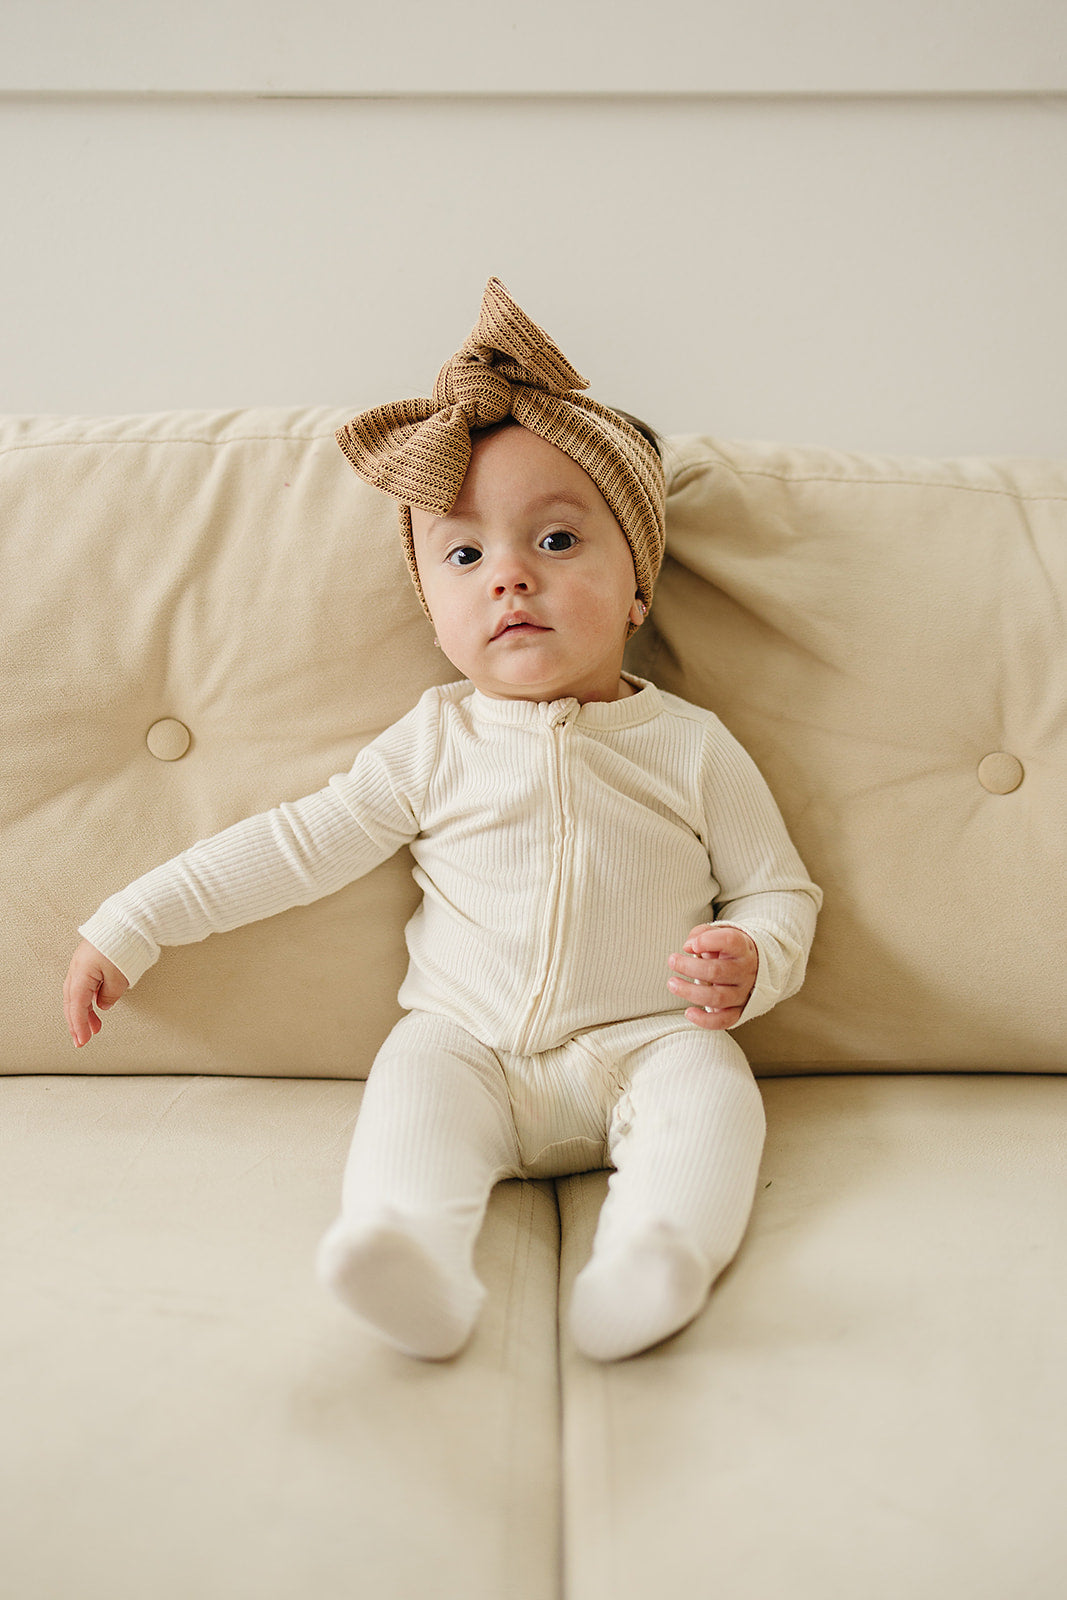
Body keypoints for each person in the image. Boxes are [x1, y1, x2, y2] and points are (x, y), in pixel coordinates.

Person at [63, 279, 821, 1363]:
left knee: (712, 1097)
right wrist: (132, 921)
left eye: (555, 541)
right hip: (469, 1044)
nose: (508, 573)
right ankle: (405, 1253)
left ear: (638, 584)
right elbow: (290, 844)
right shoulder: (431, 742)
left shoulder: (690, 744)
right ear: (434, 605)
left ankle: (656, 1256)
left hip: (643, 1039)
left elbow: (777, 886)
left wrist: (755, 955)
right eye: (465, 556)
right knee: (407, 1096)